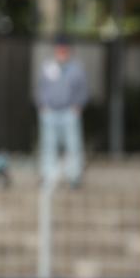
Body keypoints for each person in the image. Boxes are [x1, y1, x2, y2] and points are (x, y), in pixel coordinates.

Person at [33, 36, 87, 187]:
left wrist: (78, 105)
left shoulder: (76, 68)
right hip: (50, 112)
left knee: (73, 145)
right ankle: (48, 175)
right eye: (59, 49)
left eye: (64, 49)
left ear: (68, 50)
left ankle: (74, 176)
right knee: (48, 145)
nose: (62, 52)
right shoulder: (47, 66)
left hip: (69, 112)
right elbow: (41, 87)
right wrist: (42, 105)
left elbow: (82, 89)